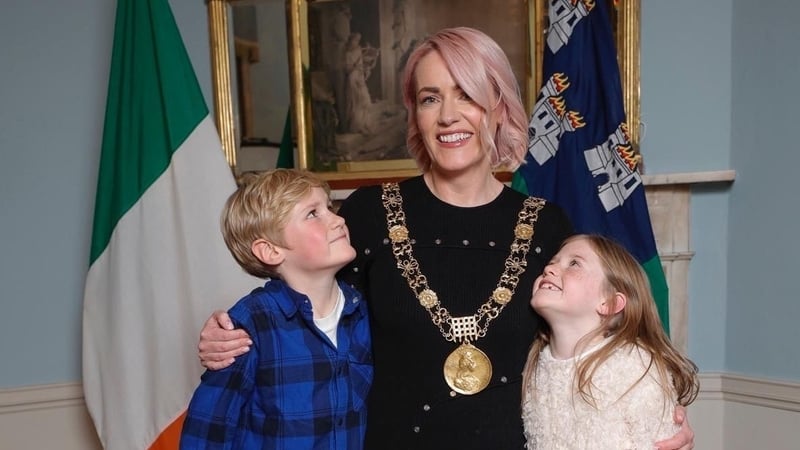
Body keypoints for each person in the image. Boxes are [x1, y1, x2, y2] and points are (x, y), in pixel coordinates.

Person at [196, 27, 695, 449]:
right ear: (415, 114)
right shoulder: (367, 215)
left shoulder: (548, 225)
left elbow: (603, 343)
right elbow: (309, 317)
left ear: (498, 107)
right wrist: (234, 336)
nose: (448, 115)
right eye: (431, 98)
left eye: (467, 95)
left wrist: (660, 413)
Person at [180, 169, 373, 449]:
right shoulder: (251, 324)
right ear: (271, 251)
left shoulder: (363, 311)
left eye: (329, 208)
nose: (338, 219)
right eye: (313, 214)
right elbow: (208, 432)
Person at [522, 234, 699, 448]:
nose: (548, 269)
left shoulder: (636, 368)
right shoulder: (537, 368)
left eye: (574, 263)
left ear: (610, 303)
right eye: (552, 262)